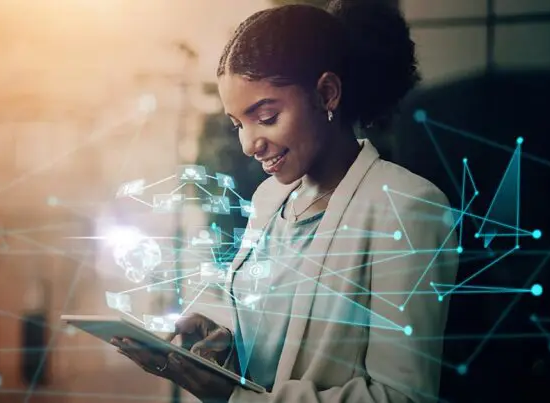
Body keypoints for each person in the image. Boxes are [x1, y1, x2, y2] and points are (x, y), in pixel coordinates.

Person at [111, 1, 459, 402]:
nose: (248, 143)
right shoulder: (270, 199)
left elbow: (403, 397)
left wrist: (234, 398)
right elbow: (275, 341)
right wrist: (223, 344)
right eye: (238, 123)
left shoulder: (407, 207)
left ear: (327, 94)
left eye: (266, 116)